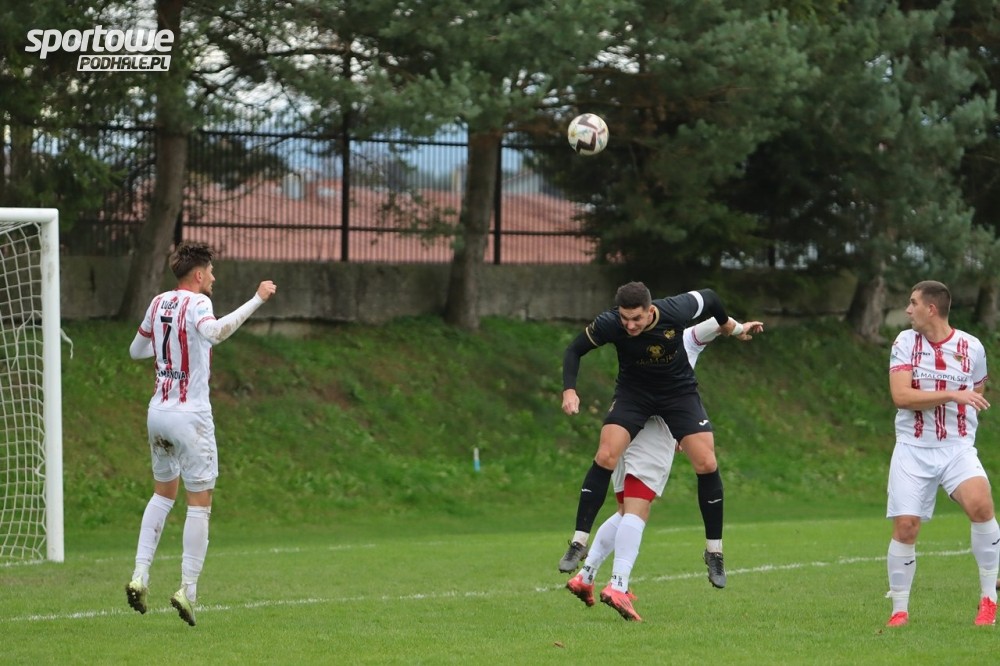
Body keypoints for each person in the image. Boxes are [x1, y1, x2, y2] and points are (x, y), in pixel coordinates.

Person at [566, 317, 763, 621]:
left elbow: (714, 321)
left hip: (623, 424)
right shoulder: (685, 338)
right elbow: (714, 322)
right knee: (638, 508)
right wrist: (738, 330)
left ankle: (586, 574)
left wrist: (737, 328)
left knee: (625, 509)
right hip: (653, 430)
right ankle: (618, 584)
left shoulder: (642, 339)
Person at [124, 242, 276, 626]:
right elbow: (216, 332)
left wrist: (171, 351)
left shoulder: (158, 302)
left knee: (163, 494)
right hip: (190, 416)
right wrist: (256, 299)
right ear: (198, 274)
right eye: (210, 272)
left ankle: (140, 575)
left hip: (158, 413)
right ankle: (187, 590)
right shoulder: (199, 303)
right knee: (199, 503)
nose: (213, 278)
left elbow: (136, 351)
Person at [559, 281, 735, 588]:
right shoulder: (610, 323)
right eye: (625, 318)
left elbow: (710, 297)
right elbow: (574, 350)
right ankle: (578, 542)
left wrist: (728, 324)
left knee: (707, 463)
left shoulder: (675, 310)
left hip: (678, 394)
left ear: (650, 310)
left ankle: (714, 552)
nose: (630, 325)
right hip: (634, 395)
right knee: (605, 455)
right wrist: (569, 390)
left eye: (636, 319)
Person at [885, 280, 998, 627]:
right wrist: (952, 394)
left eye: (913, 303)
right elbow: (901, 397)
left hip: (956, 446)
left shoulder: (972, 347)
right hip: (913, 448)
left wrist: (962, 402)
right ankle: (899, 611)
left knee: (981, 505)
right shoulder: (905, 342)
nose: (908, 310)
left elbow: (977, 389)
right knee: (906, 526)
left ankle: (989, 600)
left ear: (931, 309)